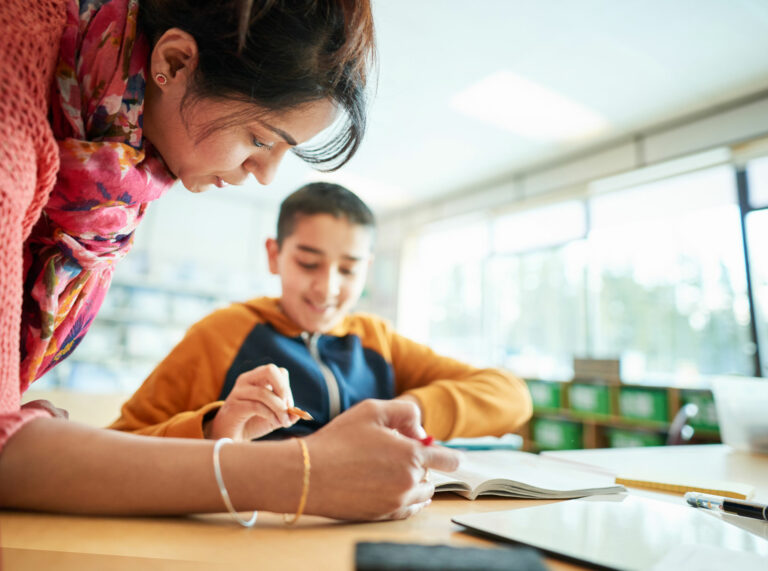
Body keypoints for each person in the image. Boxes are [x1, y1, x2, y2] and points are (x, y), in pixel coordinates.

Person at [0, 0, 460, 521]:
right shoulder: (13, 106)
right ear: (173, 63)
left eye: (350, 267)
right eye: (260, 139)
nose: (264, 175)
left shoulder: (117, 162)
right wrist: (300, 473)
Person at [110, 182, 533, 442]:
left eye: (348, 269)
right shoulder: (221, 334)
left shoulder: (378, 340)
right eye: (309, 263)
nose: (327, 287)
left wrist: (408, 412)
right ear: (274, 256)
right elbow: (121, 442)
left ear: (366, 270)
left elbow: (511, 396)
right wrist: (214, 427)